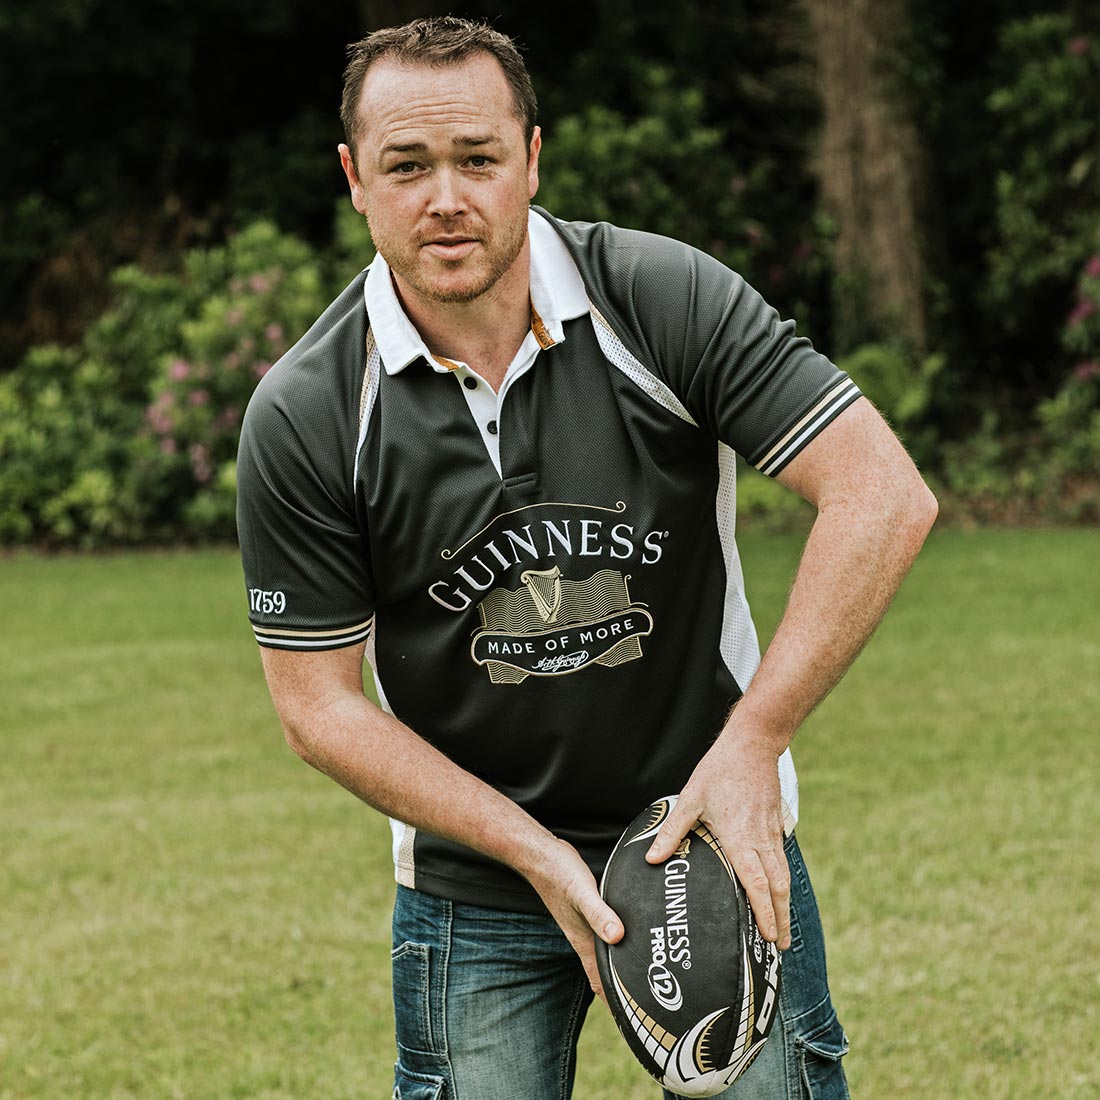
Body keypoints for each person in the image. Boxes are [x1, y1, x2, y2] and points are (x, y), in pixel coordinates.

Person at [236, 15, 937, 1100]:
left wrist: (754, 742)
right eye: (406, 166)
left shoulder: (658, 298)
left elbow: (880, 492)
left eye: (477, 158)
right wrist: (531, 849)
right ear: (353, 178)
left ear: (531, 157)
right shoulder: (309, 408)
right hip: (475, 879)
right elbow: (314, 704)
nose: (445, 198)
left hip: (704, 834)